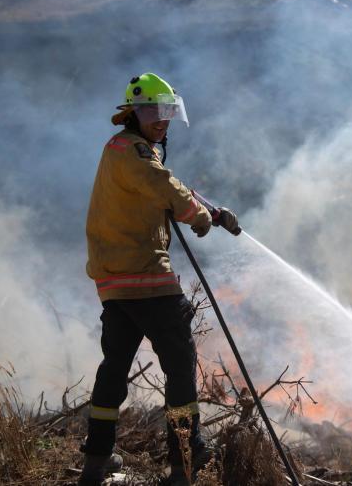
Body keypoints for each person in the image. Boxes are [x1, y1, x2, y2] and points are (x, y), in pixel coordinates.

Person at [79, 73, 239, 485]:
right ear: (133, 113)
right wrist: (199, 217)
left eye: (167, 111)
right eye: (153, 111)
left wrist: (213, 212)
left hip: (116, 283)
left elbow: (168, 185)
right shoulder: (132, 151)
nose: (162, 119)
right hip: (146, 276)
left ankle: (96, 463)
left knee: (113, 370)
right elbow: (163, 185)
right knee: (181, 366)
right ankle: (186, 461)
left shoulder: (125, 151)